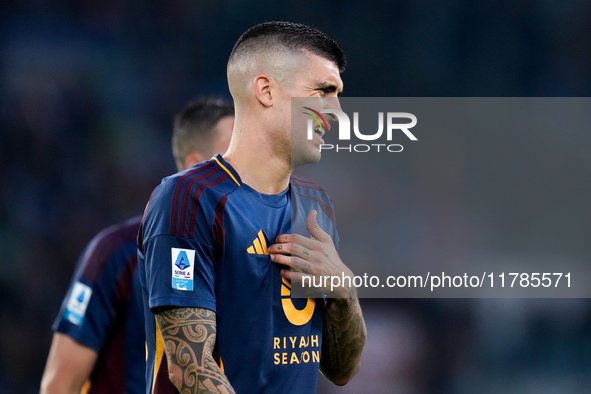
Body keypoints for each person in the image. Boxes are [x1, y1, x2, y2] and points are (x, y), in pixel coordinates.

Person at [138, 21, 366, 394]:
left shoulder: (316, 206)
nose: (338, 112)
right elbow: (190, 367)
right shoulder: (190, 198)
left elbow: (341, 370)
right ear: (265, 90)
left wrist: (345, 292)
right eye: (323, 91)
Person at [40, 97, 234, 394]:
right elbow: (59, 385)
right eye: (234, 155)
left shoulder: (257, 253)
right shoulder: (116, 254)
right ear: (197, 166)